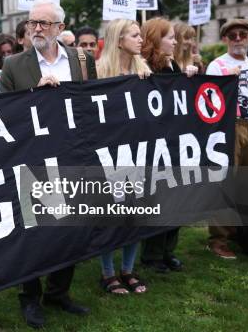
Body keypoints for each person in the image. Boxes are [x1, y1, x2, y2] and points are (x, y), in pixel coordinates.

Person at [0, 0, 94, 329]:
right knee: (35, 231)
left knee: (70, 227)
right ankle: (30, 296)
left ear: (60, 28)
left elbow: (90, 105)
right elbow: (4, 118)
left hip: (72, 155)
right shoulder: (14, 65)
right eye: (31, 22)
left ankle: (59, 291)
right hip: (32, 158)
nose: (36, 28)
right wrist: (34, 97)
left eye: (43, 23)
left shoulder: (82, 60)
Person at [96, 19, 150, 294]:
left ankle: (128, 270)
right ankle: (107, 273)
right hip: (109, 152)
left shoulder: (144, 70)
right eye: (135, 35)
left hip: (137, 151)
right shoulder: (98, 72)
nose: (141, 40)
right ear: (119, 40)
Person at [138, 18, 196, 273]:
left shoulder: (172, 64)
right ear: (155, 39)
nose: (176, 41)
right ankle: (152, 255)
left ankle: (167, 251)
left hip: (175, 142)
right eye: (170, 37)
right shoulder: (143, 68)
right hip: (154, 146)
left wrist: (186, 77)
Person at [206, 18, 248, 259]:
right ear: (225, 40)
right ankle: (218, 239)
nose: (238, 39)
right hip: (229, 128)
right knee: (225, 183)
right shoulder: (217, 65)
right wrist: (226, 79)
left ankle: (241, 232)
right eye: (233, 36)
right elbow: (208, 101)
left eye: (243, 34)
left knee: (247, 183)